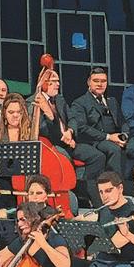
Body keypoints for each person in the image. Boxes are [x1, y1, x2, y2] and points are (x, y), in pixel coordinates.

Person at [33, 68, 105, 204]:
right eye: (53, 81)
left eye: (58, 81)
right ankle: (79, 193)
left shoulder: (59, 99)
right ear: (43, 83)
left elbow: (72, 118)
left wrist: (70, 132)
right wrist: (52, 119)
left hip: (69, 140)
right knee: (65, 160)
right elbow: (44, 130)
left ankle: (89, 192)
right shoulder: (35, 102)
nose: (58, 84)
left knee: (98, 156)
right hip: (52, 145)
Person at [70, 67, 130, 178]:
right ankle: (114, 184)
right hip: (93, 141)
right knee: (114, 149)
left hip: (115, 138)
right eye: (96, 81)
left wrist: (124, 136)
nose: (100, 84)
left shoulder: (112, 101)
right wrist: (109, 137)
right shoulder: (79, 103)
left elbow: (123, 123)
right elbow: (82, 128)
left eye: (103, 81)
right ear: (89, 82)